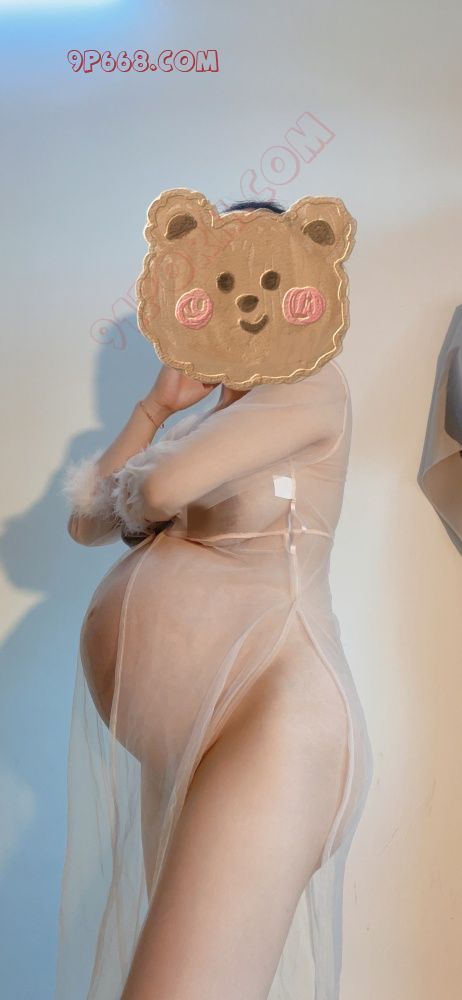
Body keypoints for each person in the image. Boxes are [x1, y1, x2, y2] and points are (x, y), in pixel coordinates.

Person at [56, 199, 373, 1000]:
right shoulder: (196, 424)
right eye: (221, 283)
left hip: (274, 727)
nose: (244, 304)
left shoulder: (310, 386)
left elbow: (159, 490)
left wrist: (150, 480)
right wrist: (156, 408)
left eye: (264, 281)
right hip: (197, 744)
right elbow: (85, 522)